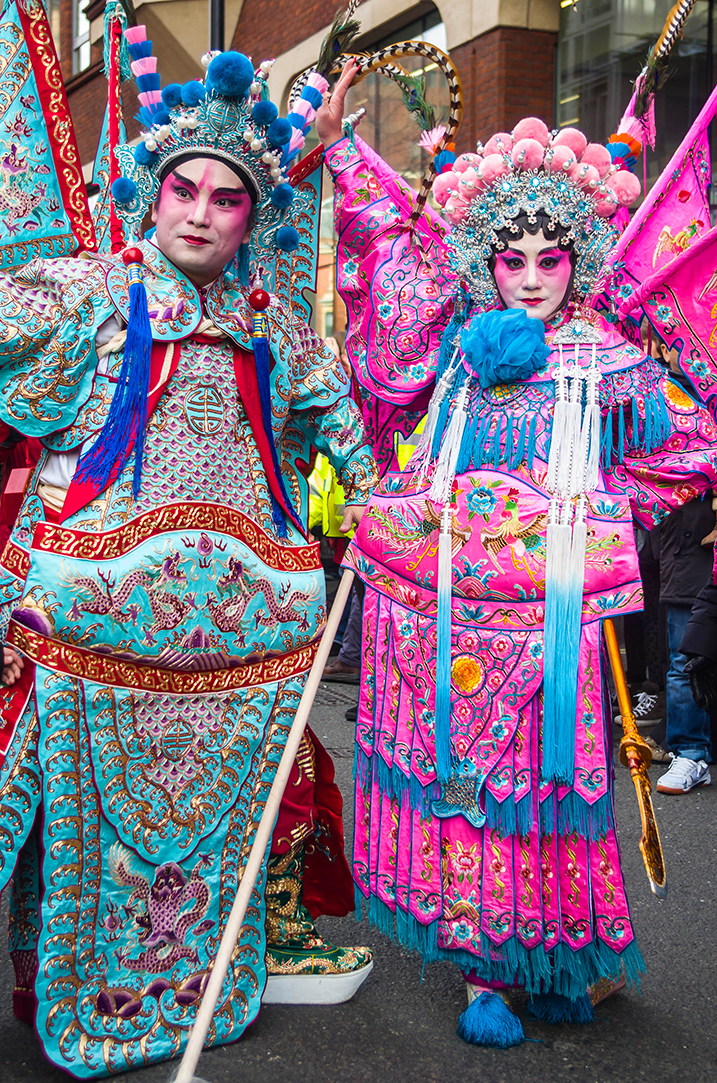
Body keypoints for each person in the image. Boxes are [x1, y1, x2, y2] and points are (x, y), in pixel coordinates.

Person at [315, 63, 717, 1045]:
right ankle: (481, 976)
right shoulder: (456, 353)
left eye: (549, 257)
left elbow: (689, 441)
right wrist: (337, 147)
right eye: (511, 259)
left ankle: (551, 961)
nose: (532, 276)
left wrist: (604, 507)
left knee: (547, 799)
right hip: (446, 636)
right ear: (484, 265)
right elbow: (388, 255)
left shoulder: (610, 363)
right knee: (467, 800)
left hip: (556, 642)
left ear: (578, 258)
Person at [0, 35, 377, 1076]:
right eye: (186, 190)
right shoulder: (91, 296)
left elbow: (342, 428)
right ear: (152, 198)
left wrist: (391, 509)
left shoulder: (270, 326)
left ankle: (184, 984)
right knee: (58, 824)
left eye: (228, 198)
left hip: (235, 650)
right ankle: (58, 985)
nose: (202, 211)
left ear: (252, 219)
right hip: (90, 629)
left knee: (209, 823)